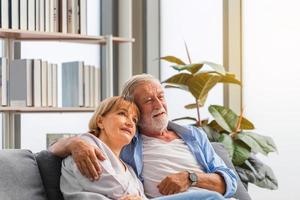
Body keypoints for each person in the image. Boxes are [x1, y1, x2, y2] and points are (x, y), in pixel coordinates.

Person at [51, 74, 237, 200]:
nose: (158, 104)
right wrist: (75, 142)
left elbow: (230, 181)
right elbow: (59, 147)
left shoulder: (193, 135)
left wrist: (191, 178)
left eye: (161, 96)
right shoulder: (126, 142)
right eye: (148, 100)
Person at [60, 96, 147, 200]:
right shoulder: (85, 145)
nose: (130, 123)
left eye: (134, 120)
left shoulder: (130, 170)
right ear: (100, 122)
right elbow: (112, 187)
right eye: (122, 114)